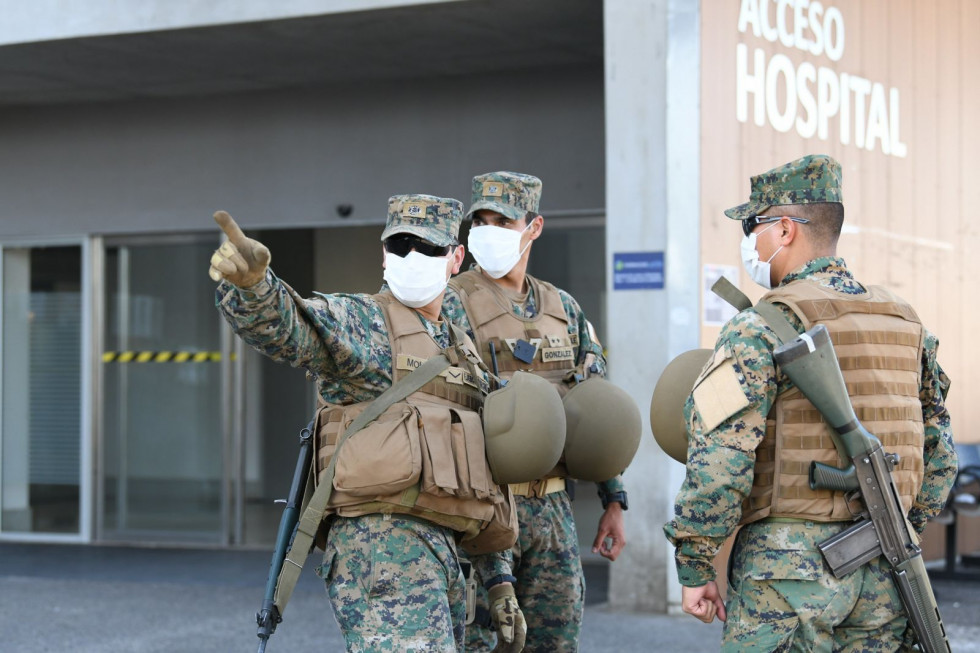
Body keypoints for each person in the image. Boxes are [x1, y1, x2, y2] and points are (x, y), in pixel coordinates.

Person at [663, 154, 959, 651]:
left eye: (752, 226)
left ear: (783, 230)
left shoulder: (758, 326)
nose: (747, 241)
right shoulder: (906, 322)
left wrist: (695, 561)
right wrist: (900, 527)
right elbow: (941, 455)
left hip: (787, 577)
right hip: (886, 570)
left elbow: (722, 459)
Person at [208, 195, 527, 652]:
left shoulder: (464, 353)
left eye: (429, 248)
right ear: (383, 254)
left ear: (456, 259)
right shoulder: (364, 321)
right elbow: (291, 326)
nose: (412, 257)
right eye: (400, 245)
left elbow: (481, 479)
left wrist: (499, 581)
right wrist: (254, 286)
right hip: (384, 548)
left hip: (449, 555)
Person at [443, 171, 629, 652]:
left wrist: (613, 498)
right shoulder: (451, 302)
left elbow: (592, 401)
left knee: (555, 640)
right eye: (479, 221)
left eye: (502, 220)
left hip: (552, 511)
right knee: (479, 642)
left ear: (534, 227)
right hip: (485, 512)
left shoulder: (563, 308)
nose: (487, 230)